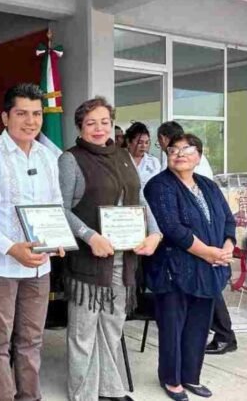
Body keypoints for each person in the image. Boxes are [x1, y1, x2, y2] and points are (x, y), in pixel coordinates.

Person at [58, 98, 162, 401]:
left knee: (112, 326)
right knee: (83, 332)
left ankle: (109, 388)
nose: (98, 128)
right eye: (90, 123)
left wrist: (155, 233)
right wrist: (89, 236)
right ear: (80, 127)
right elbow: (61, 209)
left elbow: (140, 199)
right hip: (89, 260)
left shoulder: (123, 156)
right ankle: (83, 393)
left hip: (124, 259)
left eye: (104, 121)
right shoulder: (71, 159)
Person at [0, 83, 64, 401]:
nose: (31, 121)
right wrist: (10, 248)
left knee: (31, 339)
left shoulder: (48, 156)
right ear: (5, 117)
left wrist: (56, 239)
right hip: (0, 265)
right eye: (22, 113)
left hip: (40, 265)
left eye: (37, 114)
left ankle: (30, 396)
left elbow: (54, 205)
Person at [144, 133, 235, 400]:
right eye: (173, 149)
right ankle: (171, 380)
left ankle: (190, 377)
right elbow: (172, 228)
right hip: (173, 269)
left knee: (198, 326)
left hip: (209, 269)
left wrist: (227, 248)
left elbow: (228, 220)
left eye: (187, 149)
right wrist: (208, 252)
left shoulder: (207, 185)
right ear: (167, 155)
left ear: (199, 155)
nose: (180, 154)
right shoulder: (160, 186)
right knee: (173, 326)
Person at [125, 121, 161, 189]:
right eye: (140, 142)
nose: (144, 146)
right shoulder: (119, 161)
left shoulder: (154, 162)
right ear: (128, 142)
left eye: (146, 142)